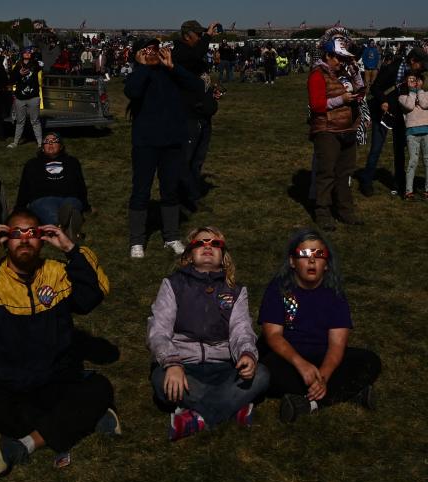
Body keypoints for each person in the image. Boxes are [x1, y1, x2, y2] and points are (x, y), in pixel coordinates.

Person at [0, 210, 118, 479]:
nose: (24, 240)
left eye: (31, 234)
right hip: (2, 382)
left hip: (51, 380)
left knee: (100, 388)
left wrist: (70, 248)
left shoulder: (56, 274)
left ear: (43, 239)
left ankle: (24, 444)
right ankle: (80, 420)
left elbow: (95, 293)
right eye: (15, 234)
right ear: (4, 240)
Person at [147, 226, 269, 441]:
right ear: (189, 254)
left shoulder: (235, 290)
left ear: (223, 256)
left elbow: (241, 331)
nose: (207, 247)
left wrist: (247, 355)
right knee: (160, 378)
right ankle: (233, 407)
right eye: (200, 243)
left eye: (215, 244)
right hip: (185, 368)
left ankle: (196, 417)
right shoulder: (173, 285)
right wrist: (173, 363)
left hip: (225, 368)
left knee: (262, 375)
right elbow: (158, 332)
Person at [257, 229, 381, 423]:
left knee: (370, 361)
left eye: (319, 255)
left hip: (322, 356)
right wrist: (301, 364)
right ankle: (351, 392)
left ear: (327, 265)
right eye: (305, 254)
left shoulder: (335, 294)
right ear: (292, 262)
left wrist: (323, 377)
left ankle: (311, 404)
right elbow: (273, 335)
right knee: (265, 372)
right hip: (288, 357)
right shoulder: (278, 288)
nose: (312, 260)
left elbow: (337, 345)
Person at [125, 38, 202, 258]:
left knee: (170, 190)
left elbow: (197, 87)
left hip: (172, 142)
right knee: (141, 190)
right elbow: (133, 92)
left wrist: (173, 66)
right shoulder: (138, 74)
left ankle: (171, 236)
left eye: (155, 50)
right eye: (146, 50)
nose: (152, 53)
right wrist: (142, 67)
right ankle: (137, 240)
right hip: (145, 142)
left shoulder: (171, 73)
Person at [307, 28, 366, 231]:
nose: (341, 62)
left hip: (346, 129)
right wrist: (342, 99)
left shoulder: (344, 73)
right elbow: (316, 105)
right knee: (327, 173)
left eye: (343, 58)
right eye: (338, 58)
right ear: (328, 55)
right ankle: (323, 211)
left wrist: (356, 72)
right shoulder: (317, 74)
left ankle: (345, 211)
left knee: (345, 173)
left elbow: (360, 89)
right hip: (327, 129)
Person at [359, 47, 427, 197]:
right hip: (382, 114)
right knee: (376, 149)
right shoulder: (392, 68)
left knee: (399, 152)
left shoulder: (416, 75)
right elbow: (375, 88)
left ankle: (399, 183)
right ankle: (366, 181)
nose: (422, 69)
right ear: (412, 61)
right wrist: (383, 101)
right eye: (421, 65)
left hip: (400, 116)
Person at [173, 20, 221, 213]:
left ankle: (190, 195)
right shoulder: (180, 52)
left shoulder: (191, 53)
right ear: (187, 36)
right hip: (189, 115)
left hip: (202, 114)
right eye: (198, 34)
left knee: (197, 160)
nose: (201, 37)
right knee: (186, 160)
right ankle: (186, 197)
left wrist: (210, 92)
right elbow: (195, 55)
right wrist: (208, 36)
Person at [14, 132, 90, 240]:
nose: (50, 144)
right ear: (42, 147)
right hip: (43, 199)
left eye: (54, 141)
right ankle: (68, 229)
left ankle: (61, 229)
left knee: (71, 206)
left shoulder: (72, 162)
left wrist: (85, 205)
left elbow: (80, 184)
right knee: (50, 212)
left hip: (69, 197)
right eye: (47, 142)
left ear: (61, 146)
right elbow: (24, 187)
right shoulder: (32, 164)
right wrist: (20, 207)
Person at [398, 71, 428, 200]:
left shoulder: (426, 94)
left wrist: (419, 90)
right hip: (412, 133)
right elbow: (410, 106)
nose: (415, 82)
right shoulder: (402, 97)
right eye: (411, 79)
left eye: (417, 80)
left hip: (427, 131)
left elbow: (424, 104)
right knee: (413, 161)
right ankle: (408, 191)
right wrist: (412, 91)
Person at [7, 48, 43, 149]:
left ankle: (40, 143)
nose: (27, 54)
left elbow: (41, 66)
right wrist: (19, 74)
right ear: (22, 54)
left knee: (35, 121)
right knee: (19, 121)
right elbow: (11, 80)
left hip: (33, 97)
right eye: (25, 52)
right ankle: (16, 142)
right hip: (20, 97)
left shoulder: (35, 64)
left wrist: (35, 56)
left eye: (29, 52)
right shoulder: (17, 65)